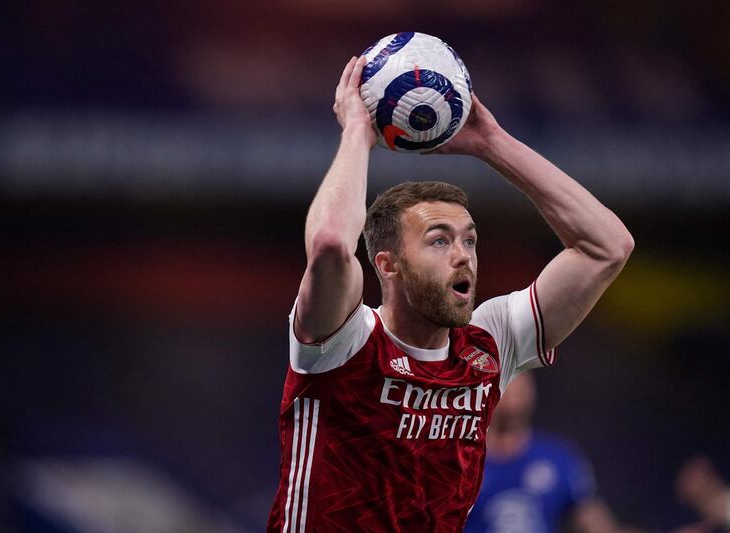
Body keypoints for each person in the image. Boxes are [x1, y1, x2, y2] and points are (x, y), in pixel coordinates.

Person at [267, 54, 634, 531]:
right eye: (439, 240)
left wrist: (492, 144)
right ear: (388, 265)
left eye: (469, 240)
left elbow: (607, 247)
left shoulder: (489, 343)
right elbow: (332, 243)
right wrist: (357, 134)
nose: (463, 255)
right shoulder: (343, 339)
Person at [466, 373, 630, 533]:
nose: (513, 401)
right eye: (507, 389)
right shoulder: (461, 459)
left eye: (520, 390)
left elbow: (591, 518)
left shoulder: (558, 458)